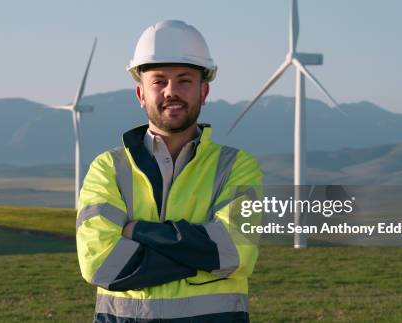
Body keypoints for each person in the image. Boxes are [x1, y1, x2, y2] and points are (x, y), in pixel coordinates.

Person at [76, 20, 262, 322]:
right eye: (158, 81)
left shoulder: (236, 167)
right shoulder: (108, 168)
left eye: (185, 80)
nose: (171, 91)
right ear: (140, 94)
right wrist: (199, 254)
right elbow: (99, 264)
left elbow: (234, 253)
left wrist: (136, 231)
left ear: (204, 92)